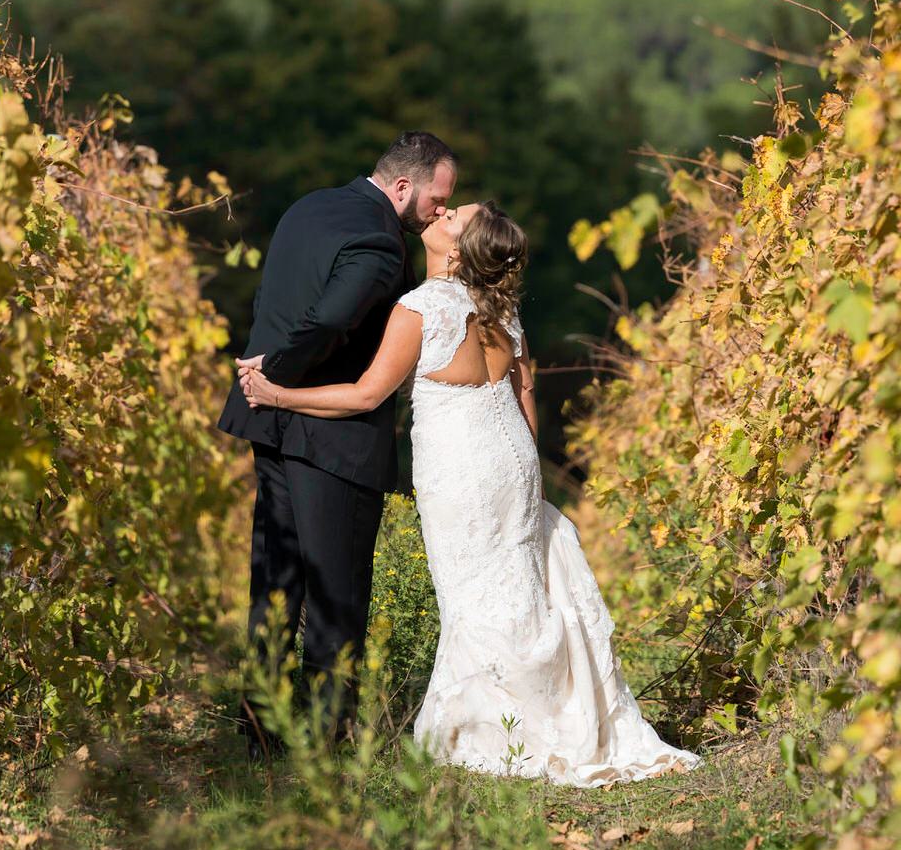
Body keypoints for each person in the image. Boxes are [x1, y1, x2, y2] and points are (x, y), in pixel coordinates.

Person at [240, 200, 700, 786]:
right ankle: (548, 709)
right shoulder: (504, 313)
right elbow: (526, 398)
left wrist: (278, 395)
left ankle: (502, 728)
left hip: (461, 468)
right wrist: (523, 468)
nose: (441, 213)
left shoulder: (419, 308)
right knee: (516, 581)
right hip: (512, 458)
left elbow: (364, 396)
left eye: (452, 217)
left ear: (455, 252)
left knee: (471, 593)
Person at [217, 132, 456, 744]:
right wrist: (276, 376)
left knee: (275, 583)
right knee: (336, 589)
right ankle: (327, 741)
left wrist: (262, 382)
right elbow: (325, 320)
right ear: (403, 187)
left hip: (268, 423)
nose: (439, 212)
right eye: (436, 199)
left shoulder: (309, 206)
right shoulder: (379, 244)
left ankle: (261, 732)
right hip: (331, 436)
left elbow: (280, 299)